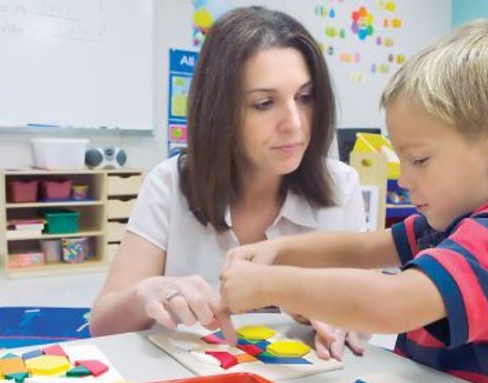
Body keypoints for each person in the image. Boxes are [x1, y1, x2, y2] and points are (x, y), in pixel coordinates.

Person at [220, 21, 488, 383]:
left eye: (419, 160)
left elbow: (390, 303)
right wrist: (276, 249)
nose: (403, 177)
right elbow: (363, 248)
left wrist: (270, 284)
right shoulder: (453, 225)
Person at [90, 6, 367, 359]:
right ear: (220, 110)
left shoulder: (340, 186)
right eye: (265, 103)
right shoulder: (170, 182)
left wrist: (339, 315)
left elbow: (364, 317)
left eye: (305, 97)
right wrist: (146, 295)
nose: (295, 123)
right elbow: (103, 324)